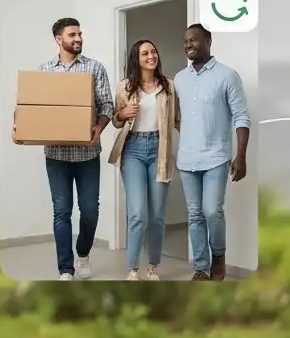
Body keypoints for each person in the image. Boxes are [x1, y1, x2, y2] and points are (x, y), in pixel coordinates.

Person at [15, 17, 113, 280]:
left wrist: (98, 128)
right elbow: (31, 106)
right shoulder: (45, 70)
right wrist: (19, 129)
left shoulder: (95, 68)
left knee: (90, 210)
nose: (78, 38)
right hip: (56, 155)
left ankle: (83, 253)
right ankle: (66, 268)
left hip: (87, 153)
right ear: (59, 40)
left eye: (80, 33)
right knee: (62, 211)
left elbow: (107, 106)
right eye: (72, 35)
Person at [173, 24, 249, 281]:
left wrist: (241, 156)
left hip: (216, 157)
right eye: (185, 41)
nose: (188, 45)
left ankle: (219, 257)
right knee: (195, 215)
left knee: (212, 211)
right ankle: (201, 269)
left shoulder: (227, 75)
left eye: (193, 40)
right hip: (187, 159)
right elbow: (176, 116)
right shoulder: (180, 79)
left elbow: (241, 116)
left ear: (208, 41)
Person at [108, 39, 178, 281]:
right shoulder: (124, 87)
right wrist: (122, 114)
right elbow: (116, 120)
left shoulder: (169, 86)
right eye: (145, 53)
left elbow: (178, 120)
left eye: (154, 51)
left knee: (157, 215)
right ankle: (132, 269)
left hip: (160, 148)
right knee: (137, 213)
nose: (151, 56)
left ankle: (153, 268)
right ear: (136, 59)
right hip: (133, 149)